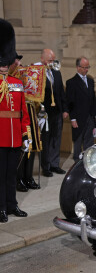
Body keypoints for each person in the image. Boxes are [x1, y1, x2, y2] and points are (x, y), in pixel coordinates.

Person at [0, 19, 29, 222]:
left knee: (12, 175)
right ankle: (1, 207)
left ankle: (12, 205)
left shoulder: (17, 83)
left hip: (15, 138)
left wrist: (26, 134)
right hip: (0, 137)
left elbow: (23, 113)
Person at [9, 54, 41, 192]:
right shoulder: (10, 75)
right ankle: (19, 179)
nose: (19, 62)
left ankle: (28, 177)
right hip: (19, 112)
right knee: (22, 147)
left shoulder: (22, 71)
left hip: (30, 110)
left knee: (32, 146)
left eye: (19, 60)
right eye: (16, 60)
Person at [35, 49, 68, 177]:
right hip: (45, 112)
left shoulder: (56, 73)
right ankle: (46, 166)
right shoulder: (38, 73)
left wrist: (65, 109)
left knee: (56, 139)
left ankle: (55, 164)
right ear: (42, 59)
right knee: (46, 139)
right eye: (50, 60)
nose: (52, 62)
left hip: (57, 111)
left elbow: (61, 93)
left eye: (53, 60)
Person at [66, 57, 96, 162]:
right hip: (78, 117)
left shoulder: (90, 80)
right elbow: (70, 102)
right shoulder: (71, 82)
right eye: (84, 67)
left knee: (89, 140)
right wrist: (73, 119)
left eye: (87, 67)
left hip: (89, 116)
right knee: (78, 140)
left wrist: (95, 115)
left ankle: (88, 160)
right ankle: (77, 161)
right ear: (78, 67)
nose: (86, 70)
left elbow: (93, 100)